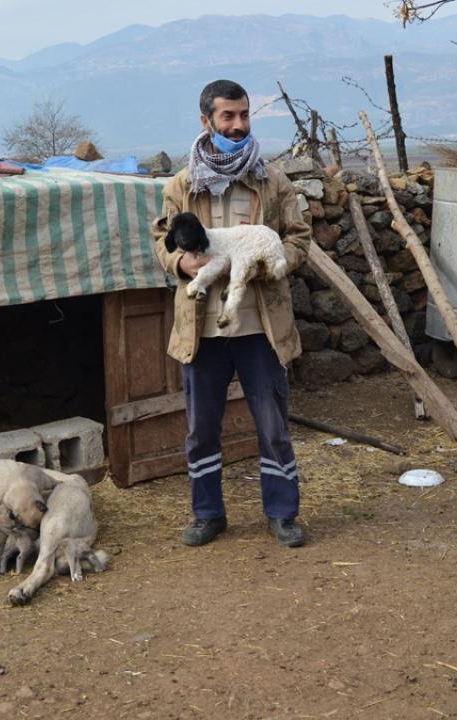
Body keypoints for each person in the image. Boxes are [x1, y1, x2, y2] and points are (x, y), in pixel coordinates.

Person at [152, 79, 312, 548]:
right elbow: (161, 243)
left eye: (244, 115)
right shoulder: (182, 185)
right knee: (202, 430)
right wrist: (181, 263)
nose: (238, 125)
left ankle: (282, 513)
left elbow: (299, 240)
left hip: (259, 326)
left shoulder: (271, 181)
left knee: (273, 425)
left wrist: (268, 266)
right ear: (207, 121)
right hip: (202, 330)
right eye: (228, 117)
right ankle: (208, 514)